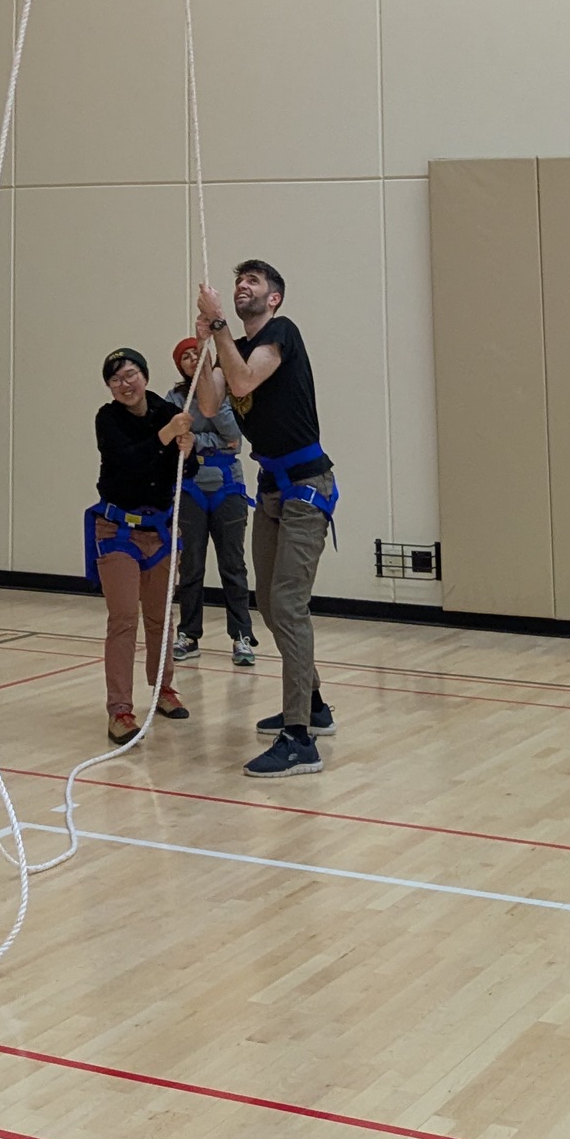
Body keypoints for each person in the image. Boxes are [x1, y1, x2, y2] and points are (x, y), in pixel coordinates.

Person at [180, 263, 338, 778]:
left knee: (288, 605)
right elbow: (209, 400)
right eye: (239, 279)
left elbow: (246, 379)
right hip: (271, 487)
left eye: (254, 280)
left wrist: (220, 324)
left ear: (274, 298)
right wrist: (206, 345)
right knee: (269, 603)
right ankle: (312, 706)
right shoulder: (236, 348)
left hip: (306, 488)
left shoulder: (280, 334)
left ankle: (299, 741)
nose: (243, 284)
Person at [90, 347, 190, 745]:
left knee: (160, 616)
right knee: (124, 617)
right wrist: (167, 437)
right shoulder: (107, 419)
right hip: (118, 530)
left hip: (161, 529)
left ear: (145, 376)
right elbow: (129, 461)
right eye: (116, 379)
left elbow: (186, 470)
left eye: (130, 374)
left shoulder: (167, 411)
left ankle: (163, 688)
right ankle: (119, 710)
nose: (125, 384)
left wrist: (188, 448)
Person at [168, 334, 257, 669]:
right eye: (186, 357)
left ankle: (242, 635)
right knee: (190, 566)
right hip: (190, 488)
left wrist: (202, 433)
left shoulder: (229, 395)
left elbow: (233, 440)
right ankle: (189, 634)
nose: (192, 360)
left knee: (232, 565)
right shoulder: (175, 397)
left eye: (198, 354)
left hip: (228, 488)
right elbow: (175, 438)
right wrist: (198, 441)